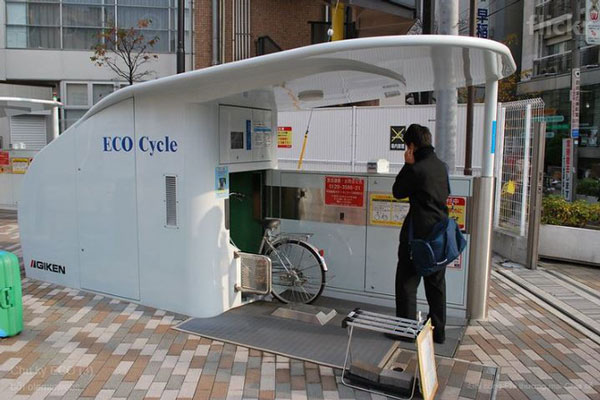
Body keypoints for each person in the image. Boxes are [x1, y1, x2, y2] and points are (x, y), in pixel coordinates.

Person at [392, 124, 449, 344]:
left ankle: (406, 330)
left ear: (412, 146)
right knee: (436, 285)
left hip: (417, 236)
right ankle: (438, 332)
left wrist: (407, 165)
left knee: (406, 284)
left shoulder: (416, 168)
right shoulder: (441, 166)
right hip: (440, 234)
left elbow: (398, 191)